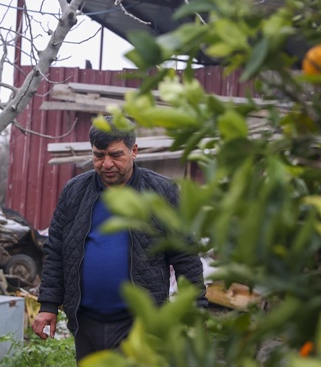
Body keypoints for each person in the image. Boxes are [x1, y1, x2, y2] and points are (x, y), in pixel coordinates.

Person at [32, 115, 208, 362]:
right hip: (86, 322)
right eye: (98, 155)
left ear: (134, 150)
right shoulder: (74, 192)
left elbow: (184, 253)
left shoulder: (161, 192)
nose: (106, 164)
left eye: (115, 155)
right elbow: (57, 251)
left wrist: (196, 308)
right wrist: (48, 305)